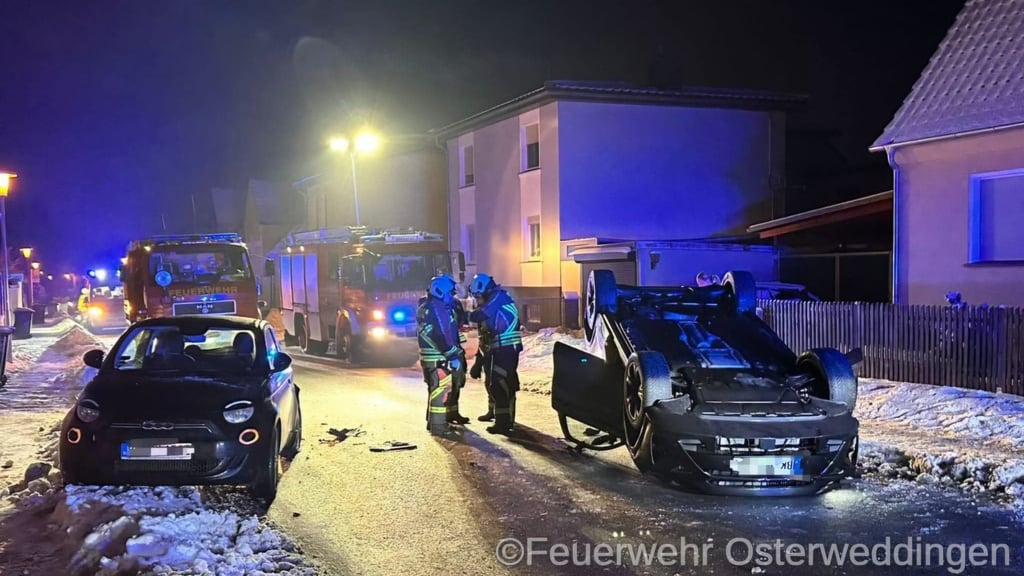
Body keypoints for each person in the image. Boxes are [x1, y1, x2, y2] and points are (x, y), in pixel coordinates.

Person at [468, 273, 522, 435]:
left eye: (479, 297)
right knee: (494, 383)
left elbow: (480, 316)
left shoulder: (497, 299)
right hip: (497, 348)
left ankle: (504, 422)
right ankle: (498, 416)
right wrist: (479, 360)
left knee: (502, 385)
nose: (478, 301)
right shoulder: (491, 301)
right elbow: (484, 334)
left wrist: (461, 314)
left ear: (486, 292)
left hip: (506, 349)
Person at [416, 275, 468, 436]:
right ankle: (439, 427)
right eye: (450, 293)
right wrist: (452, 355)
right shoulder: (436, 308)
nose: (452, 297)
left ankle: (434, 422)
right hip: (438, 358)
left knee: (436, 390)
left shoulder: (429, 306)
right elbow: (440, 334)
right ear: (440, 291)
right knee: (440, 392)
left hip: (433, 358)